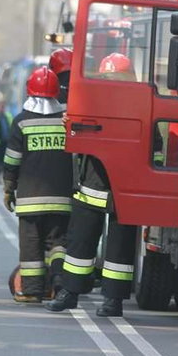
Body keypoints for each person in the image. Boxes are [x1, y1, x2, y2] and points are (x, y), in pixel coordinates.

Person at [46, 53, 138, 317]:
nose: (113, 84)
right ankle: (70, 292)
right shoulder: (91, 102)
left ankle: (113, 300)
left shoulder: (137, 107)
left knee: (120, 247)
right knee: (79, 243)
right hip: (92, 185)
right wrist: (69, 124)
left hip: (122, 187)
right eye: (109, 79)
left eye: (117, 79)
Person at [3, 66, 73, 302]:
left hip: (29, 199)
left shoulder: (21, 122)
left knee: (31, 246)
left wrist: (8, 188)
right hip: (62, 198)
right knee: (58, 245)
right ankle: (60, 283)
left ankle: (32, 291)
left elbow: (12, 159)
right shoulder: (66, 121)